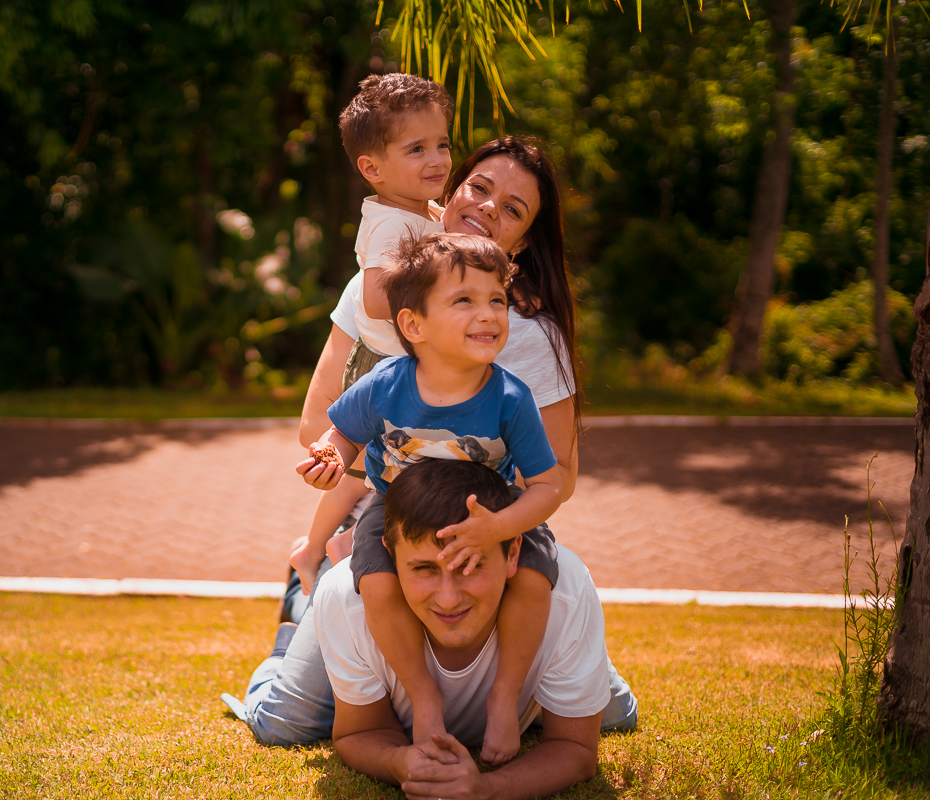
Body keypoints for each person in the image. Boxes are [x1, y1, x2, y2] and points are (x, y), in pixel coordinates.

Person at [219, 135, 637, 749]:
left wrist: (488, 527)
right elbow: (320, 428)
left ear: (522, 245)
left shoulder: (525, 338)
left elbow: (556, 477)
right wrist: (373, 491)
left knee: (605, 708)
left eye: (513, 209)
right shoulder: (376, 294)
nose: (489, 207)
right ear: (450, 192)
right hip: (386, 513)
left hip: (485, 525)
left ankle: (570, 671)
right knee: (287, 723)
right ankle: (300, 612)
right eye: (479, 188)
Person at [297, 231, 562, 766]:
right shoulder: (385, 384)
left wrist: (500, 527)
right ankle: (424, 698)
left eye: (497, 300)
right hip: (398, 509)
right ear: (413, 325)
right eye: (464, 300)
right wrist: (328, 458)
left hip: (488, 512)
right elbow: (340, 433)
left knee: (535, 578)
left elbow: (548, 487)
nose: (488, 314)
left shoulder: (511, 398)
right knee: (376, 584)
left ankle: (504, 696)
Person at [259, 459, 612, 799]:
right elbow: (361, 732)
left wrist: (488, 790)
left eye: (469, 565)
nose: (448, 599)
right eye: (424, 569)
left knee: (619, 713)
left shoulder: (564, 590)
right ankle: (293, 619)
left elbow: (576, 748)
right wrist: (398, 763)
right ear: (390, 557)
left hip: (560, 637)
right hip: (335, 596)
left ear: (512, 554)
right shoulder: (348, 596)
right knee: (282, 723)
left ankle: (592, 660)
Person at [289, 72, 454, 600]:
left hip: (390, 366)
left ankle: (324, 545)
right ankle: (324, 546)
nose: (437, 159)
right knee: (375, 471)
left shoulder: (416, 212)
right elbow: (378, 298)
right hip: (381, 369)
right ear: (372, 168)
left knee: (375, 474)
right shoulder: (392, 226)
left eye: (443, 144)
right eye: (416, 149)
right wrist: (441, 279)